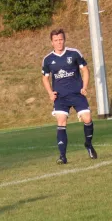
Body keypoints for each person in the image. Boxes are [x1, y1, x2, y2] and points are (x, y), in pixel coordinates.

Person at [41, 28, 97, 165]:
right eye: (56, 40)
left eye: (61, 39)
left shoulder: (74, 53)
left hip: (77, 94)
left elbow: (85, 70)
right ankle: (62, 156)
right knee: (61, 121)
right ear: (51, 42)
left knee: (88, 118)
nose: (59, 42)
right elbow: (45, 78)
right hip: (60, 97)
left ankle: (88, 144)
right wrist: (50, 92)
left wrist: (84, 87)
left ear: (64, 40)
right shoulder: (48, 59)